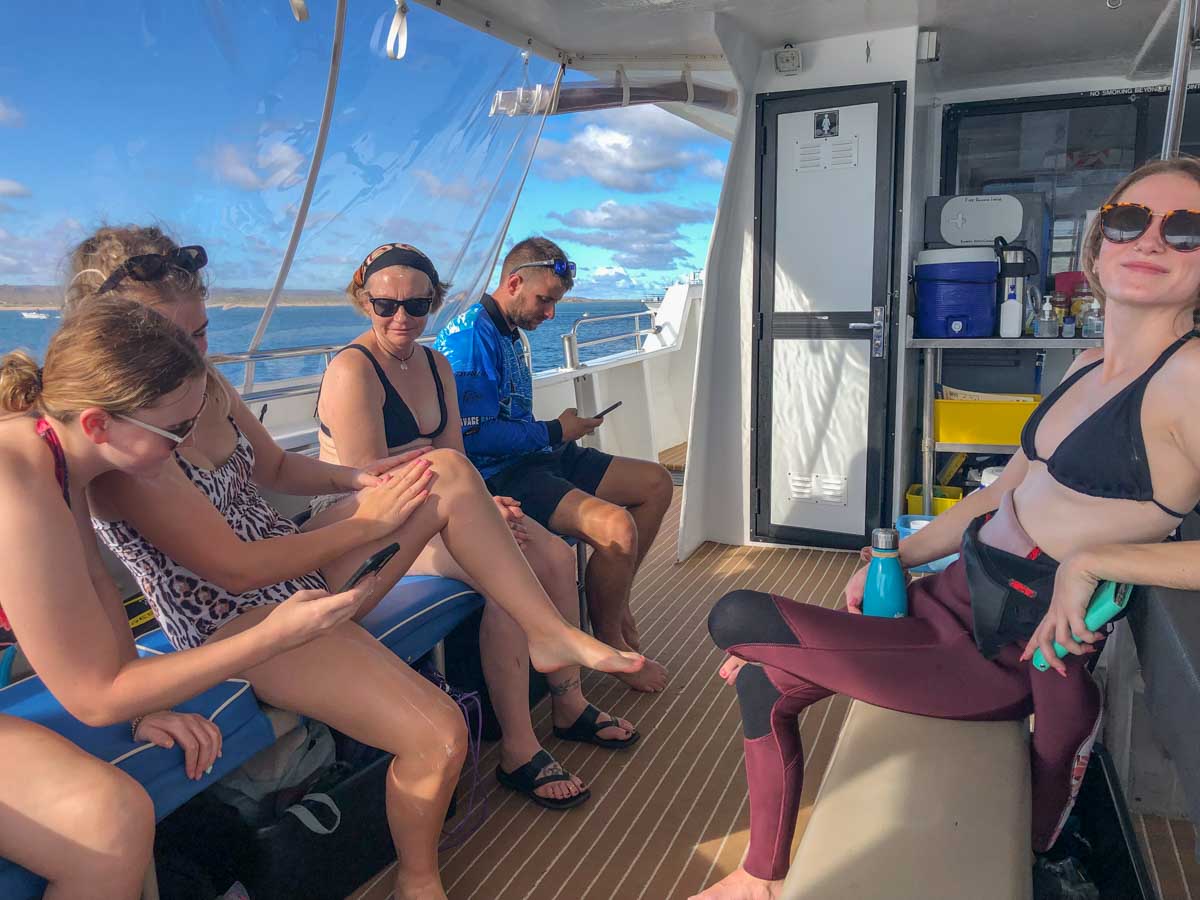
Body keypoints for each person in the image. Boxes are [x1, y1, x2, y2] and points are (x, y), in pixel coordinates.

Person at [70, 226, 643, 899]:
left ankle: (544, 631)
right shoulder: (128, 440)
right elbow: (234, 571)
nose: (197, 354)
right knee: (439, 736)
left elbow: (278, 465)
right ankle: (419, 882)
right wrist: (368, 523)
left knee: (449, 471)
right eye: (177, 340)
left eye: (201, 334)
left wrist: (363, 482)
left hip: (299, 567)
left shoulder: (205, 382)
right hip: (246, 621)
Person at [696, 156, 1200, 900]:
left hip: (1001, 650)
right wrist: (892, 554)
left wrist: (1093, 560)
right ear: (1097, 244)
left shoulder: (1188, 381)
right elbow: (992, 500)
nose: (1150, 240)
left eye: (1185, 230)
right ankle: (759, 874)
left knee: (735, 613)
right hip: (949, 596)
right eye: (1129, 220)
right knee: (765, 677)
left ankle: (761, 870)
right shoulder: (1085, 365)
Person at [0, 297, 374, 899]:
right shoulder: (15, 489)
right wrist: (272, 636)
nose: (186, 447)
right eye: (174, 431)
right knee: (109, 821)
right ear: (98, 424)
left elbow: (97, 588)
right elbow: (95, 697)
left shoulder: (51, 451)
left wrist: (141, 710)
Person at [315, 242, 639, 810]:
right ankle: (518, 747)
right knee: (505, 575)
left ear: (432, 305)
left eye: (416, 306)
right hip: (371, 524)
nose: (400, 318)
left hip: (441, 505)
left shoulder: (436, 364)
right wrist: (471, 510)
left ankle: (568, 702)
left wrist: (489, 508)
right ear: (362, 300)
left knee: (554, 554)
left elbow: (456, 458)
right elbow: (374, 489)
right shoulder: (353, 370)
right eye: (384, 304)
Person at [436, 236, 674, 692]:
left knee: (656, 483)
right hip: (500, 474)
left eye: (555, 303)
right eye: (544, 301)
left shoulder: (509, 330)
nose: (549, 314)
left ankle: (614, 598)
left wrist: (557, 434)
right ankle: (608, 637)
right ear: (513, 282)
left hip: (539, 453)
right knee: (617, 527)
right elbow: (473, 433)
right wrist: (554, 431)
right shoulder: (472, 338)